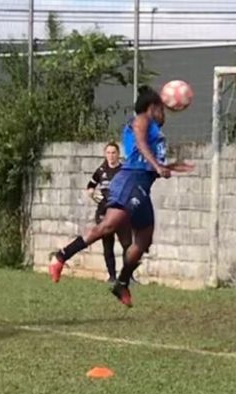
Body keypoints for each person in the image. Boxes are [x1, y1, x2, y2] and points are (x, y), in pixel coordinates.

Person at [48, 86, 194, 306]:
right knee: (108, 225)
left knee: (144, 239)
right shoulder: (141, 120)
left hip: (143, 186)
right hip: (130, 181)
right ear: (152, 108)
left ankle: (122, 283)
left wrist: (167, 166)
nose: (165, 113)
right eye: (161, 109)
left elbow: (147, 158)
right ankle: (61, 256)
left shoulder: (154, 129)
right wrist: (157, 164)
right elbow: (140, 144)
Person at [86, 142, 131, 283]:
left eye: (113, 153)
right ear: (105, 154)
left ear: (118, 154)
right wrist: (92, 194)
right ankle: (112, 276)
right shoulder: (101, 170)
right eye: (108, 153)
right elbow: (90, 186)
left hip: (120, 213)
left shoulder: (125, 170)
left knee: (127, 245)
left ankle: (128, 277)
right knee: (108, 244)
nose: (111, 156)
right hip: (104, 212)